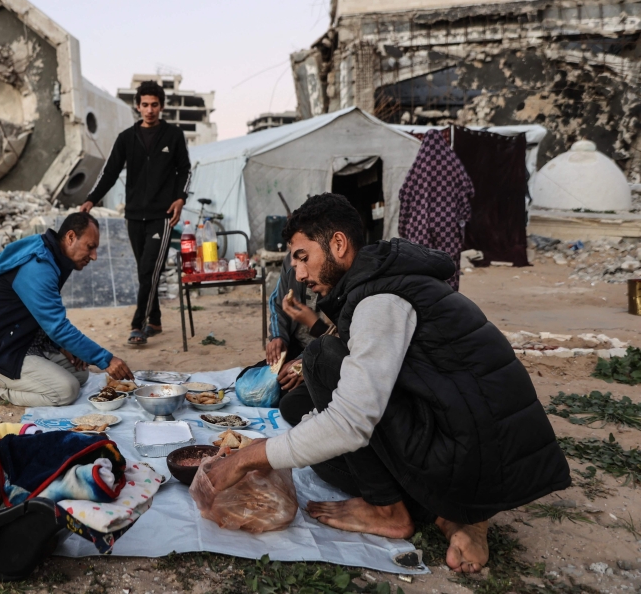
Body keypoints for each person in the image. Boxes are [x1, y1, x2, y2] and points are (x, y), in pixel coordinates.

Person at [204, 193, 569, 574]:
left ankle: (392, 508)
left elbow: (351, 420)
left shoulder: (381, 300)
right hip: (467, 440)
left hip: (474, 459)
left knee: (321, 362)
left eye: (302, 256)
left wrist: (250, 456)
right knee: (301, 416)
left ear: (338, 244)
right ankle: (449, 513)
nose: (298, 274)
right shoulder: (384, 280)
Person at [0, 212, 133, 407]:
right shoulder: (38, 265)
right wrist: (106, 360)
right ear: (70, 237)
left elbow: (39, 315)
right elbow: (57, 327)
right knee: (67, 390)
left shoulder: (53, 256)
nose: (94, 256)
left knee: (80, 373)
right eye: (90, 247)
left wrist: (60, 346)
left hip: (19, 340)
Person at [80, 80, 191, 345]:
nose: (150, 109)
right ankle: (155, 320)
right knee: (145, 271)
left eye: (154, 105)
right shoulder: (126, 138)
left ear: (161, 106)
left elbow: (185, 170)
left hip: (162, 215)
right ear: (138, 107)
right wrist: (91, 200)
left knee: (149, 269)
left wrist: (180, 198)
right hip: (134, 215)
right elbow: (110, 172)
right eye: (145, 105)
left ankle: (138, 325)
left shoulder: (173, 135)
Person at [265, 253, 332, 421]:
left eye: (303, 259)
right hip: (298, 348)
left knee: (289, 403)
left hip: (325, 356)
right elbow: (277, 302)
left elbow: (341, 342)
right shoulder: (291, 260)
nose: (299, 275)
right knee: (248, 385)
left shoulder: (337, 272)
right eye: (294, 265)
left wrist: (307, 365)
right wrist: (278, 337)